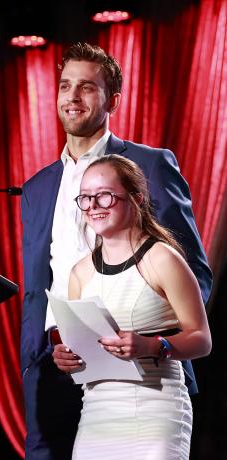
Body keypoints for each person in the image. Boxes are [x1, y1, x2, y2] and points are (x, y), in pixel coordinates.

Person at [20, 41, 213, 460]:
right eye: (65, 85)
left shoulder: (151, 165)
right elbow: (37, 284)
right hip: (56, 360)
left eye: (87, 87)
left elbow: (192, 269)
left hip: (139, 369)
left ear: (113, 100)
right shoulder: (36, 187)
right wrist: (40, 351)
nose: (72, 97)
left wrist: (153, 340)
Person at [52, 154, 211, 459]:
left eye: (104, 196)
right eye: (85, 198)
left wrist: (151, 345)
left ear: (136, 199)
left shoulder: (162, 258)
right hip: (98, 411)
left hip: (156, 407)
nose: (93, 207)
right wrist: (67, 356)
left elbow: (202, 339)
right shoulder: (79, 273)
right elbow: (83, 345)